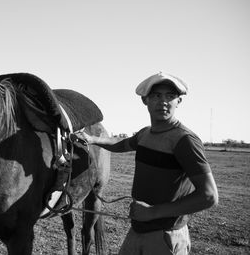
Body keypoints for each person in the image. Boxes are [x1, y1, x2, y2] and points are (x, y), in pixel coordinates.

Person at [74, 72, 218, 255]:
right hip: (137, 230)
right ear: (145, 100)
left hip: (166, 236)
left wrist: (152, 212)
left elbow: (209, 196)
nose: (163, 101)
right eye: (157, 95)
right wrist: (92, 139)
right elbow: (121, 144)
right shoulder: (145, 134)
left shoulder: (184, 140)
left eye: (170, 96)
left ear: (178, 102)